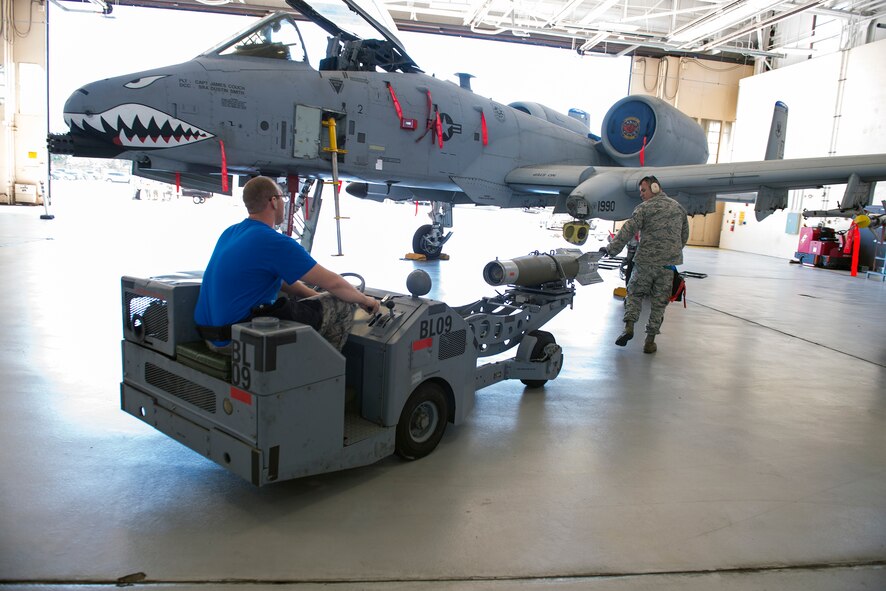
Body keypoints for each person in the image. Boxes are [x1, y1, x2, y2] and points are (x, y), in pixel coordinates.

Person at [194, 176, 379, 353]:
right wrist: (365, 300)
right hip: (238, 341)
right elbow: (333, 283)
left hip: (212, 335)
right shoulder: (273, 241)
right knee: (341, 304)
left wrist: (315, 296)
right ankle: (322, 376)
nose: (284, 203)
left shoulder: (230, 232)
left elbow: (279, 281)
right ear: (273, 201)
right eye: (282, 198)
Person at [599, 175, 689, 354]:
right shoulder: (679, 208)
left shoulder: (643, 208)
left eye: (643, 190)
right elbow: (684, 235)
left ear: (655, 187)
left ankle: (629, 327)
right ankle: (650, 341)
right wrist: (670, 252)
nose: (641, 194)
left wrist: (611, 249)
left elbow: (627, 230)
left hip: (645, 262)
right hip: (667, 266)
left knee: (634, 294)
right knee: (659, 303)